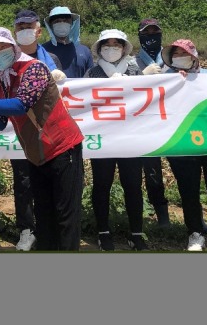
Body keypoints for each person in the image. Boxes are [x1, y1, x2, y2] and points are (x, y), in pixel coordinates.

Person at [0, 27, 84, 251]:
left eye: (1, 47)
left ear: (13, 48)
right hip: (36, 155)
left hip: (63, 149)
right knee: (43, 215)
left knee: (65, 216)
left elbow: (20, 104)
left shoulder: (34, 69)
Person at [161, 39, 207, 251]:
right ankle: (195, 233)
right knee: (188, 190)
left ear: (194, 56)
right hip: (183, 144)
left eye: (183, 53)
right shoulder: (166, 79)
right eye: (175, 54)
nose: (179, 57)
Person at [84, 29, 148, 251]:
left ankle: (136, 233)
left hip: (130, 137)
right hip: (103, 137)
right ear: (100, 49)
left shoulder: (135, 70)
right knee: (102, 184)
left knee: (132, 185)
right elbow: (82, 101)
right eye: (106, 45)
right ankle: (103, 232)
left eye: (116, 45)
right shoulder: (92, 73)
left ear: (123, 48)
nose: (111, 49)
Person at [10, 9, 67, 251]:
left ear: (38, 30)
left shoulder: (52, 58)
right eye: (20, 27)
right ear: (15, 32)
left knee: (51, 181)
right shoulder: (7, 61)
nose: (24, 31)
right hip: (22, 132)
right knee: (23, 181)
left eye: (28, 26)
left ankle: (49, 230)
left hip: (51, 133)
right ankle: (26, 229)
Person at [134, 17, 170, 227]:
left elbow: (195, 76)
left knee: (181, 170)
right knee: (151, 172)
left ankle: (193, 218)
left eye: (155, 32)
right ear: (140, 36)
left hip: (171, 123)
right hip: (144, 126)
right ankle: (156, 216)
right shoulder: (133, 62)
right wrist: (140, 75)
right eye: (147, 33)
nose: (151, 37)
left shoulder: (170, 58)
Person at [42, 6, 94, 79]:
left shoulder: (85, 51)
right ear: (50, 25)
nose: (62, 23)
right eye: (57, 21)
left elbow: (92, 79)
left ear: (72, 24)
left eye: (66, 21)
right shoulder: (42, 51)